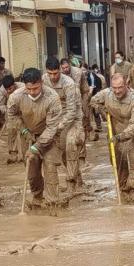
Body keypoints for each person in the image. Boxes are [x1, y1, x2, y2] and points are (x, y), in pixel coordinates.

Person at [6, 67, 63, 214]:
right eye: (29, 89)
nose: (32, 92)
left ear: (41, 83)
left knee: (50, 167)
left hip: (49, 136)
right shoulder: (16, 97)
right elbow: (11, 115)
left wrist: (36, 147)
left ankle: (52, 203)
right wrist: (23, 130)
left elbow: (52, 128)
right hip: (28, 135)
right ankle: (37, 196)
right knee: (32, 172)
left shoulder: (52, 97)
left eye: (36, 88)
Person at [91, 73, 134, 202]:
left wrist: (120, 137)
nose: (117, 91)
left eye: (120, 87)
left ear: (126, 85)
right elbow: (93, 101)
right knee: (118, 162)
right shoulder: (107, 93)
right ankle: (123, 189)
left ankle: (133, 191)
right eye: (114, 88)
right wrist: (102, 110)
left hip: (132, 133)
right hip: (114, 130)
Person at [44, 57, 83, 195]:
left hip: (73, 118)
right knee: (62, 153)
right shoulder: (43, 81)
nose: (53, 77)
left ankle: (71, 182)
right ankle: (78, 178)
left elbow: (72, 110)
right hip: (55, 117)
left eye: (56, 73)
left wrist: (59, 126)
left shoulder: (69, 83)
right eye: (50, 73)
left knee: (71, 145)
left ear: (60, 70)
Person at [60, 58, 92, 167]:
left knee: (81, 131)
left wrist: (84, 105)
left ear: (70, 65)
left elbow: (85, 90)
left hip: (79, 105)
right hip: (64, 107)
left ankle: (82, 157)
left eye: (67, 67)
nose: (65, 69)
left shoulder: (78, 72)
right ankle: (67, 159)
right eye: (63, 68)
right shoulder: (58, 75)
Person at [0, 75, 26, 164]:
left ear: (14, 84)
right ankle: (13, 155)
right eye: (7, 89)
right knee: (11, 131)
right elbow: (1, 104)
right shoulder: (1, 91)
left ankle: (25, 155)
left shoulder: (22, 87)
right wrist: (7, 111)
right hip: (10, 111)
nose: (9, 91)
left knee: (24, 132)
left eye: (10, 88)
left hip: (23, 111)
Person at [87, 64, 104, 133]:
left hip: (94, 94)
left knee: (95, 110)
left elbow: (100, 86)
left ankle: (97, 125)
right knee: (92, 110)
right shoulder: (87, 76)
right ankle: (94, 126)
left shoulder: (97, 77)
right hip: (90, 94)